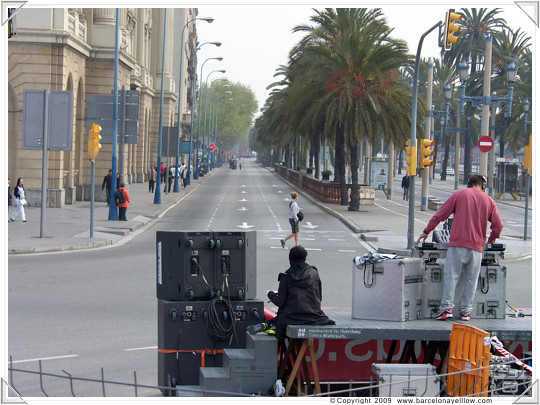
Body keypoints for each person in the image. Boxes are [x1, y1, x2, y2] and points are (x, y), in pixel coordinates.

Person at [416, 175, 503, 321]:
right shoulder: (489, 201)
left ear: (469, 184)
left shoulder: (458, 195)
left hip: (457, 245)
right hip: (476, 248)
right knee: (471, 280)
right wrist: (493, 237)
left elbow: (440, 215)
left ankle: (447, 309)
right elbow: (498, 225)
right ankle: (465, 312)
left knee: (451, 276)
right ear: (483, 186)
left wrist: (426, 231)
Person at [248, 246, 335, 342]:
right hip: (314, 317)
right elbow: (319, 297)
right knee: (282, 317)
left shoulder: (286, 277)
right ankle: (271, 325)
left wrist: (270, 294)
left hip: (291, 318)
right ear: (305, 258)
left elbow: (280, 302)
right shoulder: (314, 273)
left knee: (281, 317)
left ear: (290, 260)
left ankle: (270, 325)